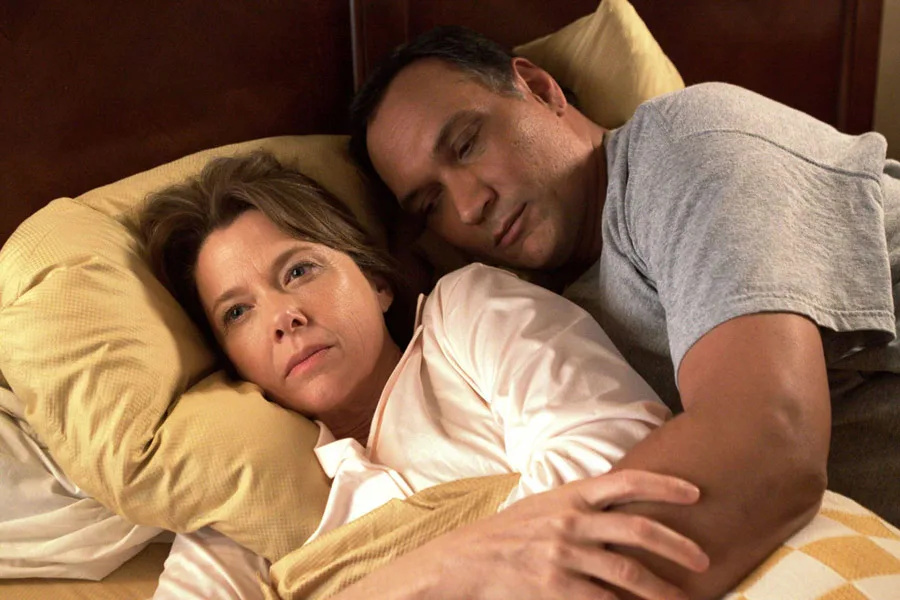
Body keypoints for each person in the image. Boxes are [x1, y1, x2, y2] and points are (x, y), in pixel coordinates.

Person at [348, 24, 900, 599]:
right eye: (431, 203)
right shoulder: (531, 315)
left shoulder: (683, 143)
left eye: (466, 144)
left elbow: (768, 444)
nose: (468, 206)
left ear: (540, 89)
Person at [138, 151, 710, 600]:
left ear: (376, 282)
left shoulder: (465, 314)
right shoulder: (242, 494)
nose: (283, 317)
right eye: (237, 313)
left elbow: (617, 453)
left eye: (299, 270)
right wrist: (444, 568)